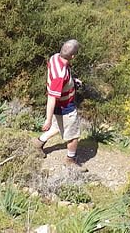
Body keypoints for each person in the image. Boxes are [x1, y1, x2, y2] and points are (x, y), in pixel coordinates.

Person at [33, 38, 86, 169]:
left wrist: (72, 80)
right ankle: (70, 160)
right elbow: (52, 97)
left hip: (61, 103)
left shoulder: (55, 57)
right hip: (64, 106)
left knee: (58, 127)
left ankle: (38, 143)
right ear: (72, 56)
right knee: (73, 135)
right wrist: (48, 119)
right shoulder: (60, 75)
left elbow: (62, 79)